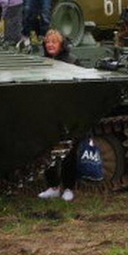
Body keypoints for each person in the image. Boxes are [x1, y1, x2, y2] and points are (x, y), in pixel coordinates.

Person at [37, 30, 81, 202]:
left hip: (67, 111)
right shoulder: (42, 61)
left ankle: (69, 187)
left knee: (69, 151)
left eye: (54, 42)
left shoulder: (72, 61)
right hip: (48, 111)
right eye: (48, 42)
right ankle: (53, 186)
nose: (50, 45)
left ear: (61, 44)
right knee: (48, 151)